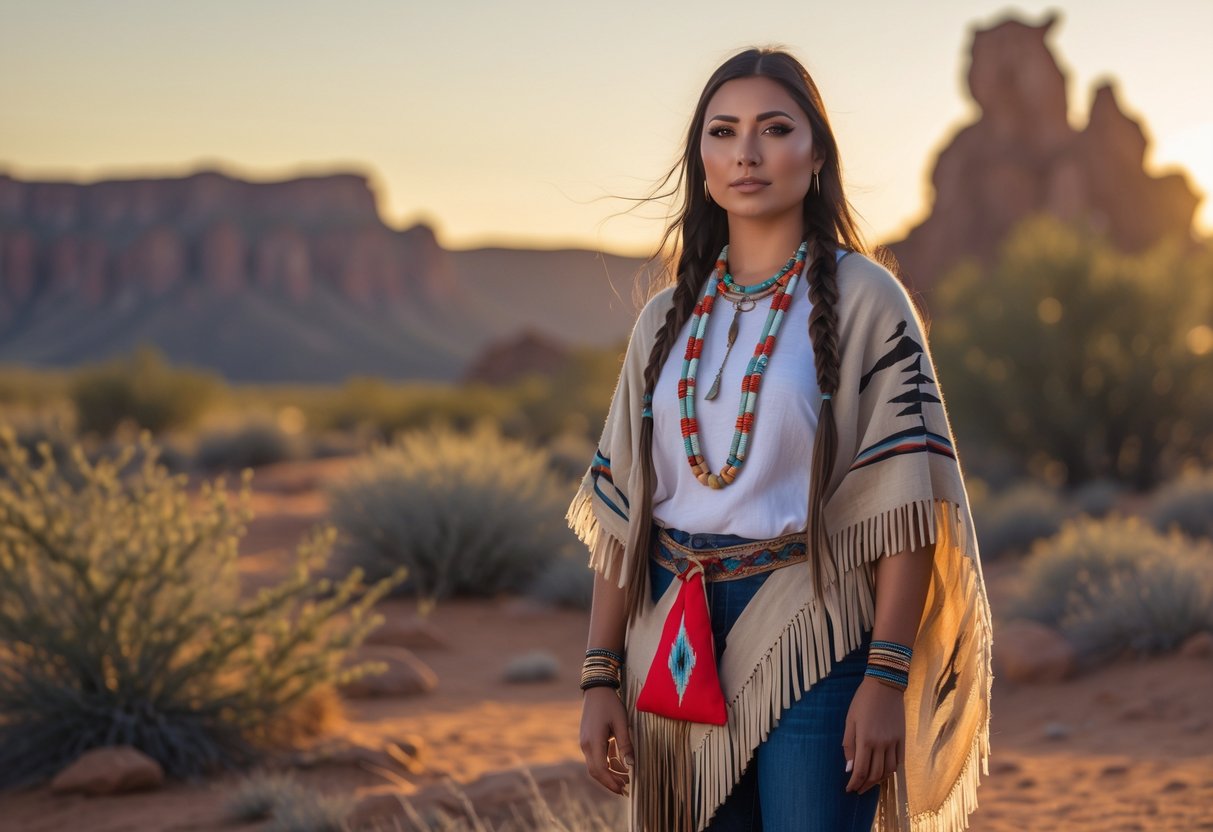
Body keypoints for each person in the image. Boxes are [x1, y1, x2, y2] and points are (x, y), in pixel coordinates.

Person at [569, 47, 993, 832]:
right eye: (723, 132)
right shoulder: (664, 320)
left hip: (814, 630)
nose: (747, 152)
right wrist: (599, 676)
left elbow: (906, 505)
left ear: (816, 152)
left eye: (773, 128)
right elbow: (622, 517)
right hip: (672, 634)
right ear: (701, 160)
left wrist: (885, 677)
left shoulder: (869, 300)